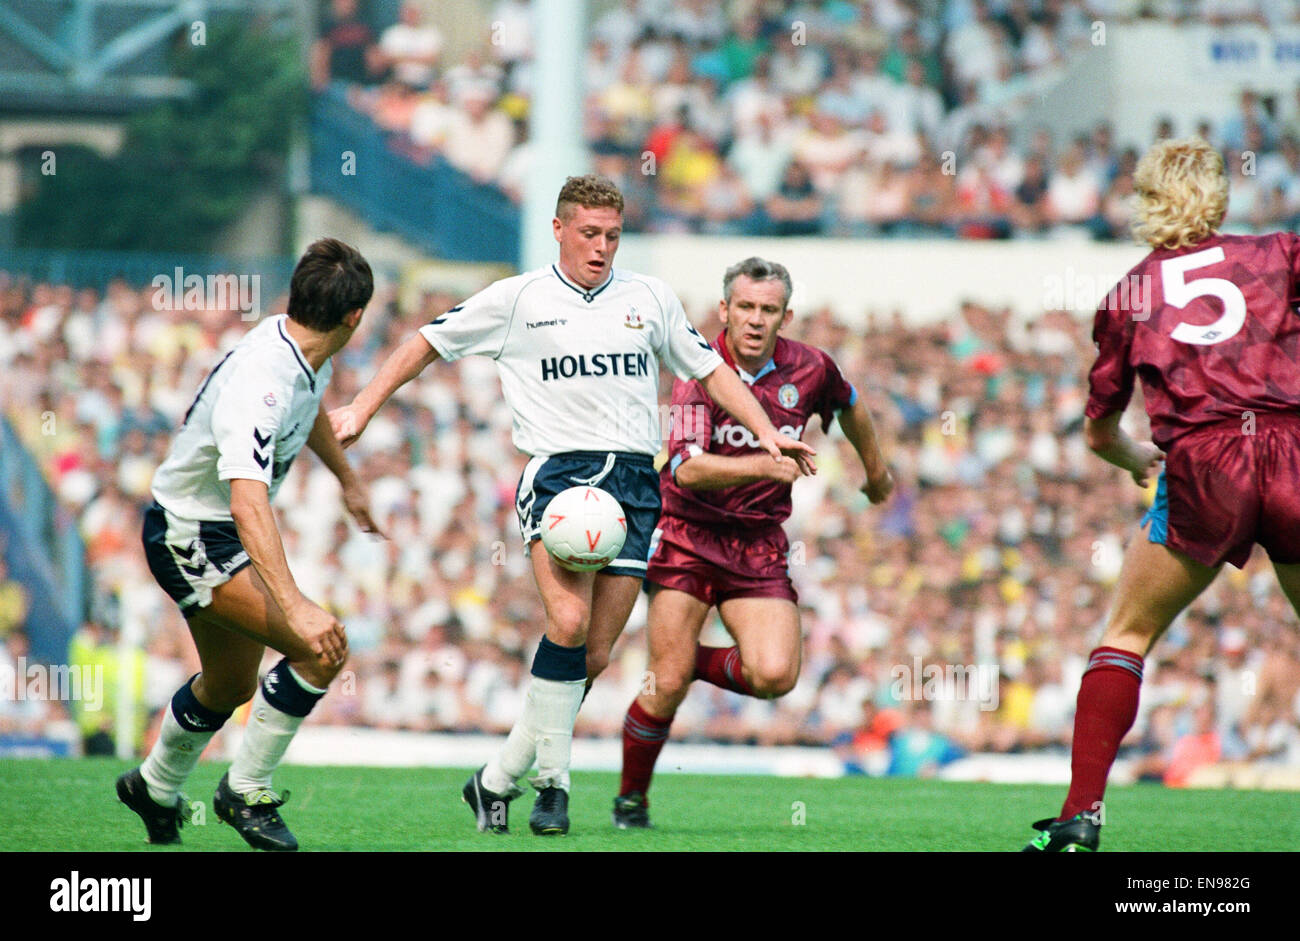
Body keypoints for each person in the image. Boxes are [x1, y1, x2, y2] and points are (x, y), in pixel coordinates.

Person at [329, 175, 814, 836]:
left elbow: (711, 371)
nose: (602, 248)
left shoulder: (650, 298)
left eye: (612, 236)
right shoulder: (518, 298)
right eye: (589, 233)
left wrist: (764, 430)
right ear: (558, 228)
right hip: (562, 475)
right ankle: (552, 786)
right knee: (565, 618)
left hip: (638, 490)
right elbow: (424, 343)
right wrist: (361, 405)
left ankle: (494, 780)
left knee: (592, 656)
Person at [1025, 138, 1300, 852]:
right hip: (1294, 449)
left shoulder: (1130, 295)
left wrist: (1134, 459)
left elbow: (1098, 431)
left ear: (1146, 199)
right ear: (1218, 197)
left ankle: (1081, 815)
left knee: (1126, 634)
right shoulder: (1278, 251)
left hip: (1204, 461)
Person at [612, 256, 893, 828]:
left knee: (774, 676)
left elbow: (850, 405)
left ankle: (686, 661)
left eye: (768, 310)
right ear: (725, 310)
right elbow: (686, 468)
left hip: (758, 542)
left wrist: (877, 470)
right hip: (686, 534)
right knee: (661, 689)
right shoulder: (698, 368)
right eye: (745, 307)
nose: (756, 320)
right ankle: (631, 797)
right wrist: (767, 468)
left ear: (786, 315)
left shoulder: (812, 368)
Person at [118, 238, 380, 851]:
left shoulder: (303, 350)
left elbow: (309, 406)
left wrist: (347, 478)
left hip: (212, 531)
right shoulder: (262, 377)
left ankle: (153, 788)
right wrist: (294, 605)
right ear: (354, 317)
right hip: (193, 534)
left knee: (230, 686)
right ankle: (246, 791)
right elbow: (246, 500)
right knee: (322, 648)